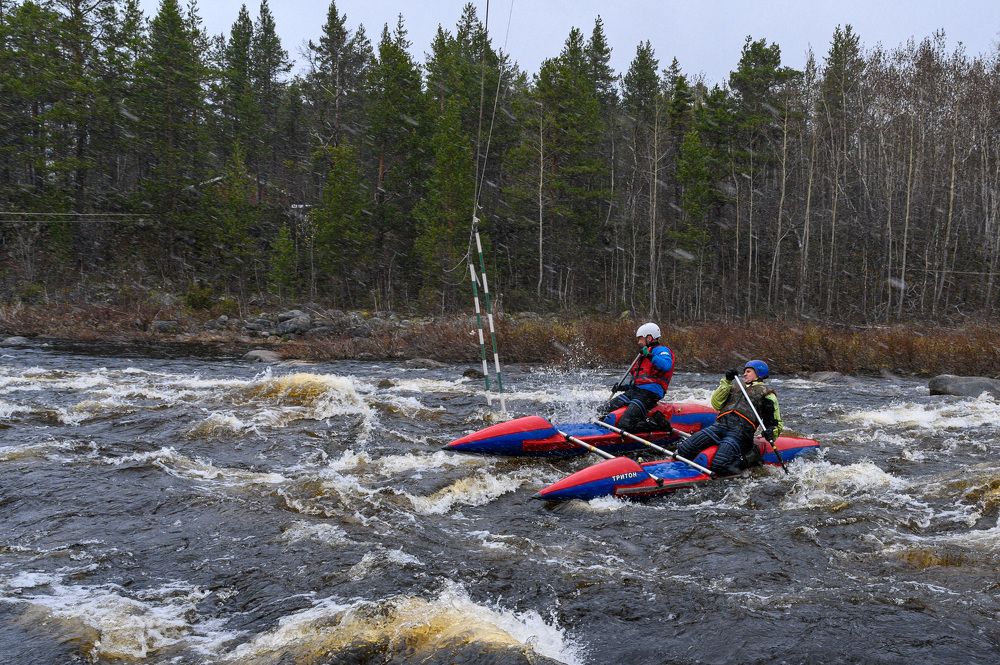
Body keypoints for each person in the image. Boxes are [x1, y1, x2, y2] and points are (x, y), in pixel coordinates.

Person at [675, 360, 784, 476]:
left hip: (740, 433)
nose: (744, 374)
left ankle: (751, 457)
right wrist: (726, 381)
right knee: (684, 450)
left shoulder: (768, 395)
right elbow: (716, 403)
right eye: (744, 372)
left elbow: (775, 423)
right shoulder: (735, 385)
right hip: (719, 426)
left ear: (759, 374)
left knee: (719, 465)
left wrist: (771, 432)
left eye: (748, 371)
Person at [599, 322, 674, 433]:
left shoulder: (661, 351)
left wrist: (649, 355)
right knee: (601, 411)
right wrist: (622, 387)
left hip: (649, 395)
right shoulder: (644, 354)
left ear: (649, 338)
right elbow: (640, 381)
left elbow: (666, 366)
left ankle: (657, 423)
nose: (639, 342)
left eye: (640, 339)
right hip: (636, 391)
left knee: (625, 424)